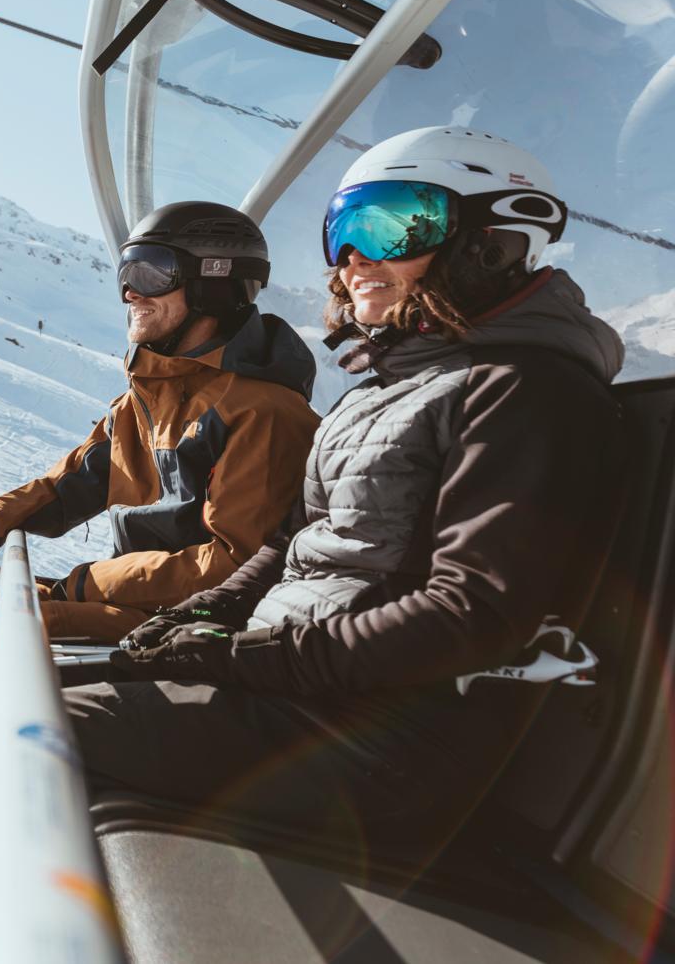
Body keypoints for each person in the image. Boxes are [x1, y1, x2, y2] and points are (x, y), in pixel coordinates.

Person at [67, 126, 625, 844]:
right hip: (307, 689)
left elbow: (472, 611)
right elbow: (295, 539)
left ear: (493, 242)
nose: (356, 256)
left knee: (43, 728)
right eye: (343, 230)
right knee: (51, 687)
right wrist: (205, 613)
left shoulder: (529, 391)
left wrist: (250, 658)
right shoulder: (384, 386)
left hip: (387, 741)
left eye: (393, 224)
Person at [0, 201, 320, 711]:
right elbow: (65, 486)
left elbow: (232, 563)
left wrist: (86, 584)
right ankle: (0, 774)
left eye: (151, 271)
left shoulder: (263, 410)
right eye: (125, 273)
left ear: (214, 284)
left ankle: (34, 776)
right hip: (139, 600)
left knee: (20, 624)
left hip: (200, 623)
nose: (130, 291)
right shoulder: (145, 397)